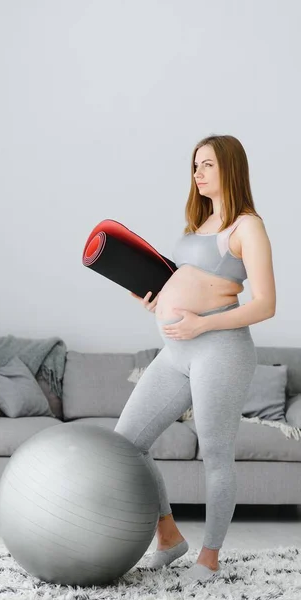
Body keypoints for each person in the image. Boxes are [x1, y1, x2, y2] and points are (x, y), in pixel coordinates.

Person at [114, 134, 276, 584]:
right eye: (194, 166)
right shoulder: (197, 224)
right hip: (176, 351)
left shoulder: (247, 227)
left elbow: (265, 304)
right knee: (126, 443)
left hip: (220, 349)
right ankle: (168, 534)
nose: (197, 173)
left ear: (230, 168)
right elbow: (183, 286)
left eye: (206, 165)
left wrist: (201, 324)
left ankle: (209, 557)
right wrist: (157, 301)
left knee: (216, 454)